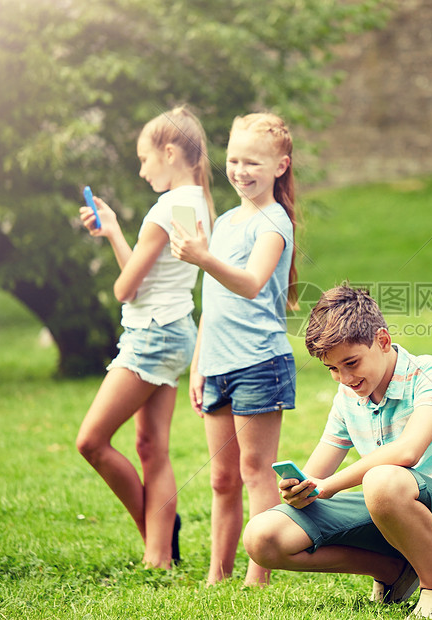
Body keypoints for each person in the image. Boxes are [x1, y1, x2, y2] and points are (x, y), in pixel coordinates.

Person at [242, 285, 432, 618]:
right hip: (386, 510)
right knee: (263, 537)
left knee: (382, 480)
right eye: (333, 369)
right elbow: (318, 473)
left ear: (383, 341)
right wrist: (301, 489)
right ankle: (393, 573)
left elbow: (407, 452)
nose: (344, 378)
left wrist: (329, 486)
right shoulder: (349, 396)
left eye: (351, 363)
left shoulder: (430, 374)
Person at [76, 105, 214, 569]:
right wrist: (114, 229)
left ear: (169, 152)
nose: (141, 169)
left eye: (144, 158)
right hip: (176, 332)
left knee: (91, 441)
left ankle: (158, 534)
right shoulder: (198, 202)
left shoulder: (165, 208)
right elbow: (145, 277)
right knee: (151, 447)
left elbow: (125, 288)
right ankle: (159, 555)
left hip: (151, 336)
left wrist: (117, 239)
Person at [170, 112, 298, 586]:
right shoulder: (224, 223)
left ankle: (258, 577)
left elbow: (248, 284)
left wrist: (203, 257)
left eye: (254, 162)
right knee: (221, 479)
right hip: (219, 365)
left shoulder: (274, 222)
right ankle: (217, 575)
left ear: (280, 166)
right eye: (234, 160)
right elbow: (213, 303)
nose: (241, 170)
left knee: (254, 471)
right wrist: (199, 365)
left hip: (259, 364)